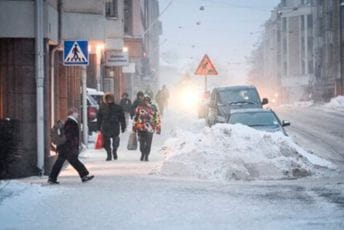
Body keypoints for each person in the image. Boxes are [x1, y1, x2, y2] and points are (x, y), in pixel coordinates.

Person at [48, 108, 94, 184]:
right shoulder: (71, 122)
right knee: (74, 161)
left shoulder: (70, 122)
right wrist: (73, 146)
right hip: (68, 147)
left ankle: (52, 178)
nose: (78, 114)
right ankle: (84, 176)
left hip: (65, 147)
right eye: (76, 112)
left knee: (61, 162)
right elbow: (70, 136)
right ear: (72, 113)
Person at [97, 93, 126, 161]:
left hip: (115, 126)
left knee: (116, 141)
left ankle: (114, 151)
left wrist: (123, 126)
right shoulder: (102, 107)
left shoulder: (118, 107)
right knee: (106, 142)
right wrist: (98, 127)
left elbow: (122, 117)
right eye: (108, 99)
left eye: (110, 99)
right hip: (105, 127)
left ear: (113, 99)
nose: (109, 100)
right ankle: (109, 154)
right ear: (105, 99)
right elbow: (99, 118)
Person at [133, 94, 161, 161]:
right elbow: (136, 118)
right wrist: (134, 127)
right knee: (142, 143)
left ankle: (147, 155)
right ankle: (142, 153)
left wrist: (158, 127)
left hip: (150, 128)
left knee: (148, 143)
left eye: (147, 100)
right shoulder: (139, 107)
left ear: (149, 100)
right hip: (141, 127)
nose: (146, 101)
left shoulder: (153, 107)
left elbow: (157, 117)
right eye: (145, 100)